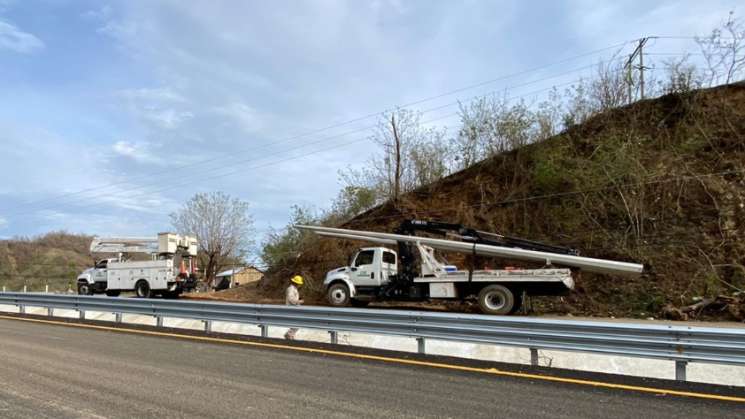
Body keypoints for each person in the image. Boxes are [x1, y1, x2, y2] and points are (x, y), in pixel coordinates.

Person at [284, 275, 304, 340]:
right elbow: (290, 299)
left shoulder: (293, 289)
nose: (300, 285)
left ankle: (290, 335)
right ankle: (289, 334)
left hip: (293, 308)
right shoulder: (291, 289)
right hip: (291, 308)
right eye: (299, 284)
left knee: (297, 323)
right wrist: (299, 301)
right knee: (297, 323)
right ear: (296, 283)